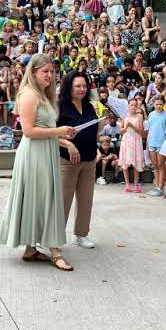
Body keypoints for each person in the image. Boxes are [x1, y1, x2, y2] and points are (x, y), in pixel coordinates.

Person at [0, 53, 76, 271]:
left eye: (52, 71)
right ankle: (55, 251)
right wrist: (59, 131)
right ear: (33, 72)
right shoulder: (29, 95)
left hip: (45, 151)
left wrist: (63, 139)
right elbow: (29, 131)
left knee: (41, 197)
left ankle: (31, 249)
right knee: (45, 197)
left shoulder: (43, 95)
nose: (49, 75)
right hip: (33, 154)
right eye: (45, 71)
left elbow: (45, 131)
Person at [57, 71, 101, 249]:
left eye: (84, 86)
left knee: (86, 199)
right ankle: (55, 237)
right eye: (78, 86)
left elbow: (94, 129)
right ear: (69, 87)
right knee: (63, 200)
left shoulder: (89, 106)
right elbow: (50, 134)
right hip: (68, 161)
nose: (82, 89)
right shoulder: (60, 107)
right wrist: (68, 144)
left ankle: (81, 234)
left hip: (89, 159)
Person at [118, 98, 147, 192]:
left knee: (136, 162)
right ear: (128, 106)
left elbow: (142, 132)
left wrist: (132, 126)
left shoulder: (140, 116)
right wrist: (126, 127)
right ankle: (127, 184)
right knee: (125, 162)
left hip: (136, 140)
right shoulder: (124, 116)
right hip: (126, 140)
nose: (133, 107)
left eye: (135, 105)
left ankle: (136, 184)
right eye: (132, 105)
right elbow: (121, 131)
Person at [146, 96, 166, 197]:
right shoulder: (151, 114)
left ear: (164, 104)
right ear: (154, 104)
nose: (159, 106)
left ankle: (161, 188)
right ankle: (156, 187)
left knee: (161, 165)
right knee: (155, 166)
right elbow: (149, 129)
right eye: (157, 104)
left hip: (161, 143)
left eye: (160, 104)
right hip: (152, 143)